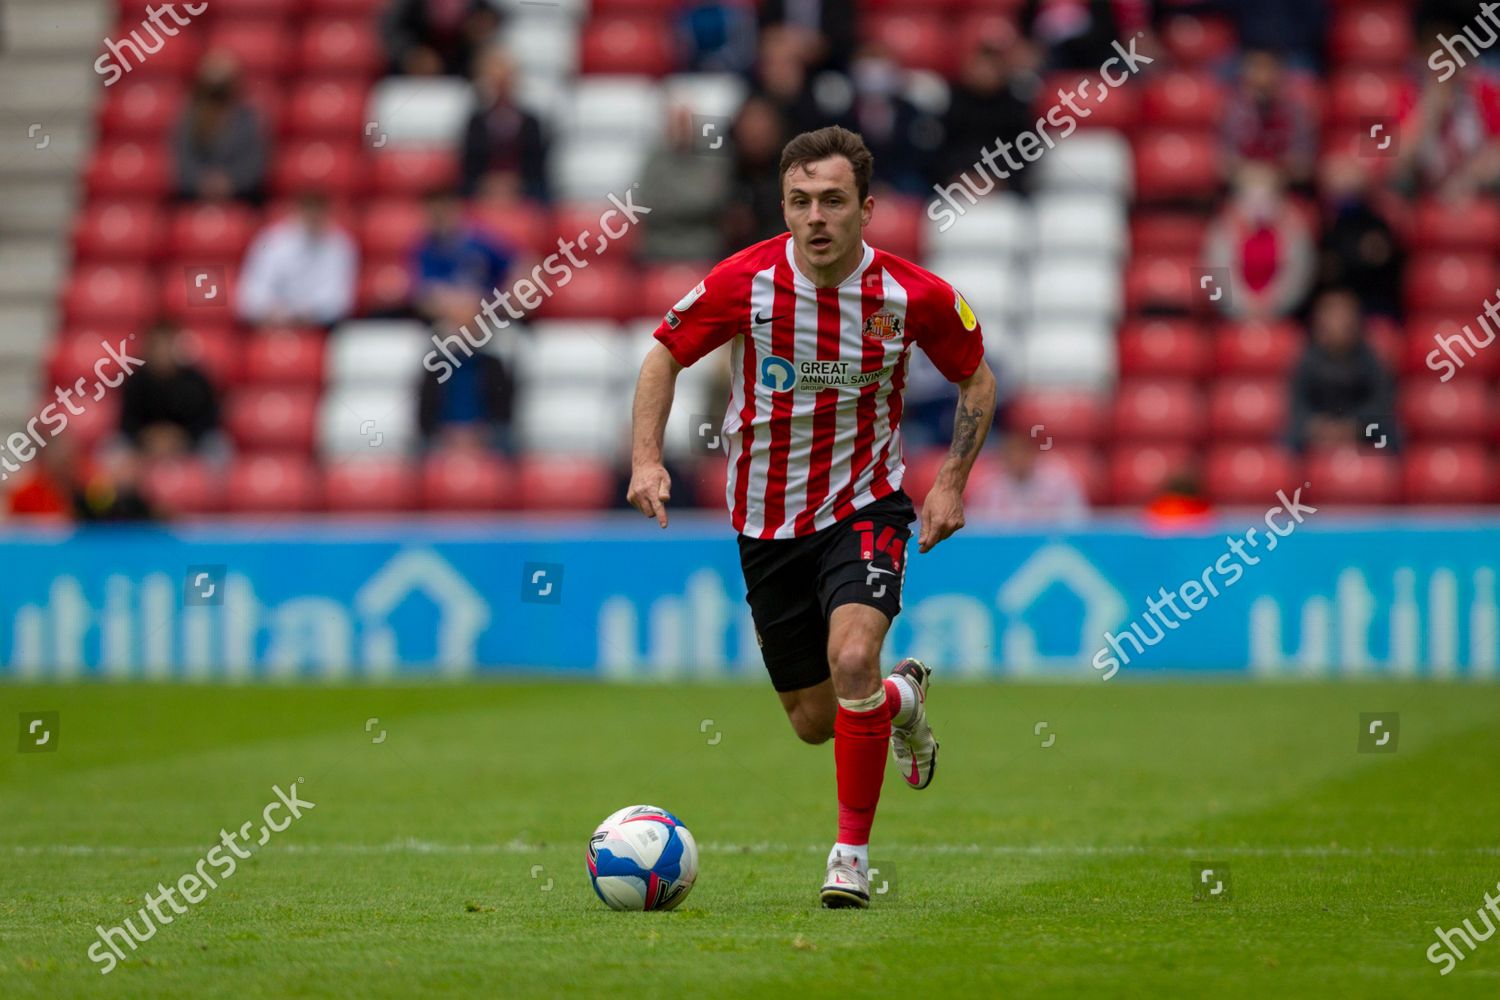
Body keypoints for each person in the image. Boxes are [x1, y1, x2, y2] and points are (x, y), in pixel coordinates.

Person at [626, 126, 998, 908]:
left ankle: (850, 858)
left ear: (866, 207)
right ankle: (905, 700)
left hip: (866, 505)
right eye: (799, 201)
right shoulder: (746, 281)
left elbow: (976, 381)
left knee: (853, 657)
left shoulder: (913, 296)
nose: (815, 217)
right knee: (815, 720)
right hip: (765, 523)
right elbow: (662, 352)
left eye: (832, 200)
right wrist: (646, 460)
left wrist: (951, 482)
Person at [1288, 289, 1400, 452]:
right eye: (1331, 315)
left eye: (1343, 316)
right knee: (1289, 438)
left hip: (1362, 428)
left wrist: (1354, 425)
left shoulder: (1370, 359)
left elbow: (1380, 403)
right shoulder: (1307, 360)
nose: (1337, 323)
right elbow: (1298, 404)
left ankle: (1388, 475)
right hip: (1318, 430)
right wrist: (1318, 426)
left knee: (1388, 433)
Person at [1202, 163, 1316, 321]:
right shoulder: (1222, 228)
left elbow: (1301, 277)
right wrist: (1242, 307)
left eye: (1267, 195)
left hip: (1284, 315)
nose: (1258, 204)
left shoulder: (1296, 227)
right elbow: (1211, 279)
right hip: (1231, 318)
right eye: (1251, 195)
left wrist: (1273, 305)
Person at [236, 191, 358, 328]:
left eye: (318, 212)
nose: (314, 218)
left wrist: (305, 313)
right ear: (297, 212)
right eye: (309, 211)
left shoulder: (341, 246)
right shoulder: (271, 241)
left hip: (320, 327)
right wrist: (274, 312)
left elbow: (339, 301)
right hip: (271, 325)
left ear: (328, 213)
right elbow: (250, 296)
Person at [637, 104, 732, 262]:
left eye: (685, 123)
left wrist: (671, 200)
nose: (681, 130)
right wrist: (694, 204)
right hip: (658, 247)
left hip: (703, 247)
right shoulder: (655, 160)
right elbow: (647, 201)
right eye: (677, 123)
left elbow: (714, 199)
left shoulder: (712, 158)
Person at [174, 51, 268, 203]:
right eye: (214, 88)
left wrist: (230, 183)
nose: (218, 94)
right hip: (193, 199)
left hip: (242, 199)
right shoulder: (189, 118)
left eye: (223, 87)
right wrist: (202, 183)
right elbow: (183, 162)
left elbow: (255, 163)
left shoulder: (249, 118)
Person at [118, 322, 222, 458]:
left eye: (167, 345)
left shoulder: (197, 380)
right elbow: (127, 421)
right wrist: (147, 436)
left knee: (216, 446)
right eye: (157, 346)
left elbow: (208, 420)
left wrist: (181, 437)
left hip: (190, 443)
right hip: (144, 445)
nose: (162, 352)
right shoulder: (134, 381)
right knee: (115, 447)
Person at [460, 48, 549, 203]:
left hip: (526, 186)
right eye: (495, 79)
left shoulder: (530, 121)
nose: (500, 84)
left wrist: (515, 182)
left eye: (505, 78)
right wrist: (489, 183)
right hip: (482, 187)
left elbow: (537, 162)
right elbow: (470, 163)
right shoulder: (476, 121)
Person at [411, 188, 514, 321]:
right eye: (435, 214)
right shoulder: (423, 249)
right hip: (446, 321)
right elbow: (421, 294)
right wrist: (454, 306)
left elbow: (520, 266)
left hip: (488, 317)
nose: (440, 220)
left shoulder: (483, 242)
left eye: (444, 212)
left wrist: (496, 302)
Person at [1221, 49, 1317, 189]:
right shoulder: (1230, 111)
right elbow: (1224, 165)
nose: (1263, 78)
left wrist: (1276, 172)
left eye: (1268, 70)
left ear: (1280, 75)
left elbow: (1303, 166)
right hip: (1244, 185)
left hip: (1284, 186)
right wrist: (1252, 172)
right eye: (1257, 70)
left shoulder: (1296, 111)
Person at [967, 429, 1088, 523]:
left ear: (1033, 453)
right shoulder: (987, 487)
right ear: (1003, 457)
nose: (1017, 459)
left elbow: (1077, 521)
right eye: (1011, 454)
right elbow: (977, 529)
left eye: (1022, 453)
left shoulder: (1060, 481)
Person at [382, 0, 501, 78]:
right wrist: (411, 53)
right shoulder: (409, 5)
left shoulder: (475, 4)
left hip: (462, 71)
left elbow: (493, 16)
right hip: (413, 78)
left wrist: (484, 25)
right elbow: (390, 28)